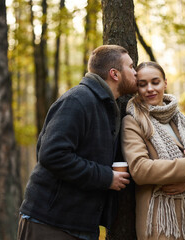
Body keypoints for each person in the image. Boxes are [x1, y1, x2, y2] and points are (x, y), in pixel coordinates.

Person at [18, 45, 138, 240]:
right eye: (131, 67)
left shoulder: (107, 106)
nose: (135, 72)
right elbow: (52, 155)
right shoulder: (78, 100)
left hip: (80, 227)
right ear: (114, 74)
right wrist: (106, 177)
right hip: (50, 224)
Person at [121, 61, 185, 240]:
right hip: (162, 220)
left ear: (165, 83)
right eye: (142, 84)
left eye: (155, 82)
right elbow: (139, 169)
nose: (149, 89)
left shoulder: (180, 120)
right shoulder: (133, 121)